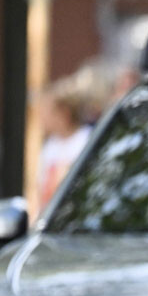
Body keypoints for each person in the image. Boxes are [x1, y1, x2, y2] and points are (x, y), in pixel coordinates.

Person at [38, 79, 94, 209]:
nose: (43, 119)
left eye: (48, 113)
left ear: (65, 113)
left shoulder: (86, 140)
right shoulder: (50, 147)